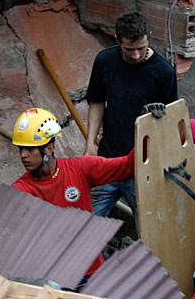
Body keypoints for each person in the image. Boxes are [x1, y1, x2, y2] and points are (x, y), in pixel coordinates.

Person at [11, 108, 134, 276]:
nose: (23, 155)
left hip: (92, 273)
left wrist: (151, 130)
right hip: (53, 277)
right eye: (21, 149)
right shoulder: (20, 191)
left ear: (49, 148)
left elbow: (127, 165)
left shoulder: (80, 168)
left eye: (30, 149)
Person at [85, 11, 179, 228]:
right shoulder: (105, 61)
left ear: (149, 37)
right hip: (108, 160)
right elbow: (97, 101)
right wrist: (90, 144)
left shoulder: (164, 72)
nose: (136, 55)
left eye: (141, 48)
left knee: (148, 229)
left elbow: (172, 121)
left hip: (143, 167)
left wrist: (156, 118)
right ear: (117, 39)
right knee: (84, 223)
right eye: (129, 49)